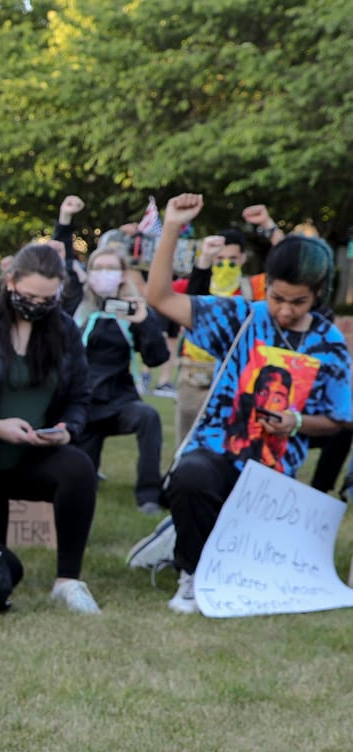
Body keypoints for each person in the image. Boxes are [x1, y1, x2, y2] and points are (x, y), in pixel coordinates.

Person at [143, 193, 353, 613]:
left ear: (318, 296)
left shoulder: (330, 346)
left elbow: (339, 420)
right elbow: (161, 299)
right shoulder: (242, 317)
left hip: (273, 473)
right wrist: (171, 228)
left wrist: (296, 422)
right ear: (265, 286)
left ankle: (199, 539)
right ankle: (192, 573)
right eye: (277, 297)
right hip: (219, 448)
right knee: (191, 477)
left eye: (299, 302)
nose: (285, 311)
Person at [0, 242, 102, 614]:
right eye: (31, 296)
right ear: (10, 281)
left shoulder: (63, 328)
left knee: (78, 467)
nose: (39, 305)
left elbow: (81, 396)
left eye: (49, 298)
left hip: (34, 454)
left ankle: (68, 580)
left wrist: (68, 429)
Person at [69, 247, 169, 513]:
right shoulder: (78, 309)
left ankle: (149, 495)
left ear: (123, 275)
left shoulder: (132, 311)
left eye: (110, 268)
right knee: (80, 483)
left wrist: (144, 321)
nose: (104, 274)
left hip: (120, 401)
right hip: (85, 407)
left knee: (148, 416)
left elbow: (157, 357)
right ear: (89, 274)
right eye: (98, 268)